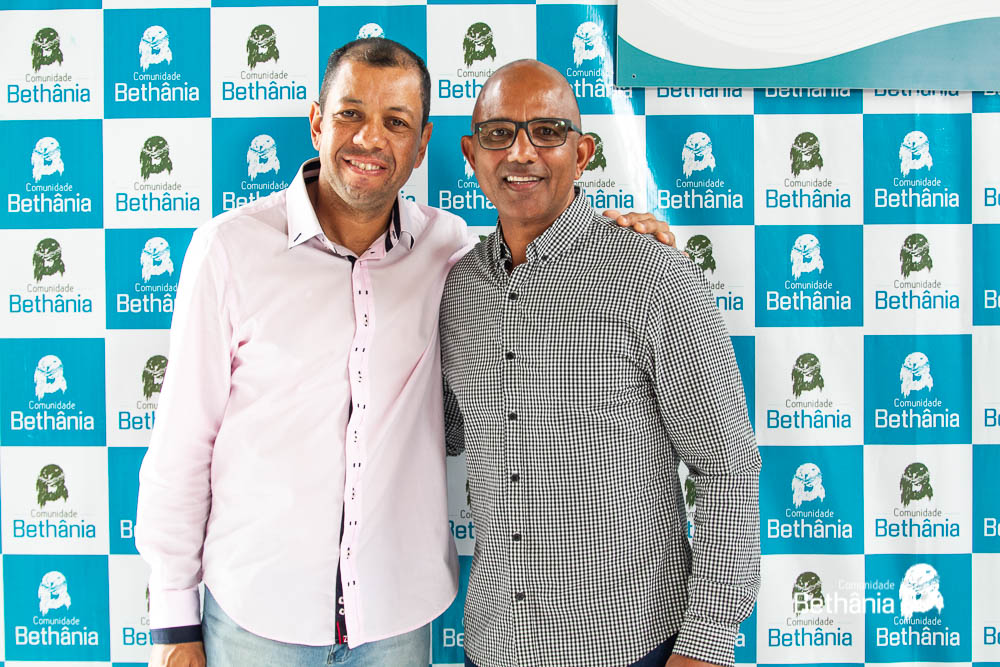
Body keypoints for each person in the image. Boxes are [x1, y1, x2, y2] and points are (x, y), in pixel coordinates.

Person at [136, 40, 673, 667]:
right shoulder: (229, 250)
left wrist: (617, 237)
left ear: (422, 146)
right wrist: (172, 623)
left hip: (395, 621)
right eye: (350, 114)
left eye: (396, 122)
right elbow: (182, 446)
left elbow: (536, 262)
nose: (370, 139)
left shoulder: (451, 252)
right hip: (256, 617)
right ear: (317, 122)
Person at [439, 60, 760, 667]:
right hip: (493, 641)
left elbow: (727, 465)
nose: (521, 152)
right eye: (499, 133)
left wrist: (707, 642)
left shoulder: (655, 277)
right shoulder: (458, 289)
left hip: (627, 643)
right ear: (471, 154)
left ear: (583, 153)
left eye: (547, 132)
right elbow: (449, 436)